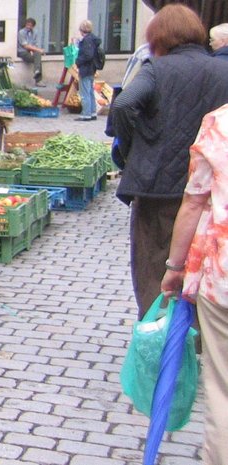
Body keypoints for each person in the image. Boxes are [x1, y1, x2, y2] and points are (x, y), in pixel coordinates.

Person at [110, 4, 228, 319]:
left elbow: (123, 103)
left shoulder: (155, 69)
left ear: (158, 37)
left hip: (156, 187)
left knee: (152, 267)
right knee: (205, 265)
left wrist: (130, 151)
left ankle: (155, 332)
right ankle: (198, 340)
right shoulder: (223, 70)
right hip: (210, 190)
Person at [160, 104, 228, 465]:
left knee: (223, 389)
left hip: (224, 276)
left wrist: (174, 265)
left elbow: (194, 201)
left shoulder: (220, 123)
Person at [74, 20, 102, 121]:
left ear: (82, 30)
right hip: (92, 68)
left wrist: (78, 61)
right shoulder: (93, 39)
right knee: (90, 91)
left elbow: (88, 55)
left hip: (86, 68)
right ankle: (93, 112)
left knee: (85, 92)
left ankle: (86, 114)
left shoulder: (87, 41)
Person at [18, 18, 45, 86]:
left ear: (33, 26)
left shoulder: (35, 32)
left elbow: (35, 44)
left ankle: (37, 72)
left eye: (30, 25)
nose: (28, 27)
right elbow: (25, 46)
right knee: (38, 58)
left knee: (37, 57)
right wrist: (39, 50)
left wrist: (35, 50)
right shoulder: (21, 32)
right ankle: (38, 80)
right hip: (23, 52)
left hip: (31, 52)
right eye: (27, 25)